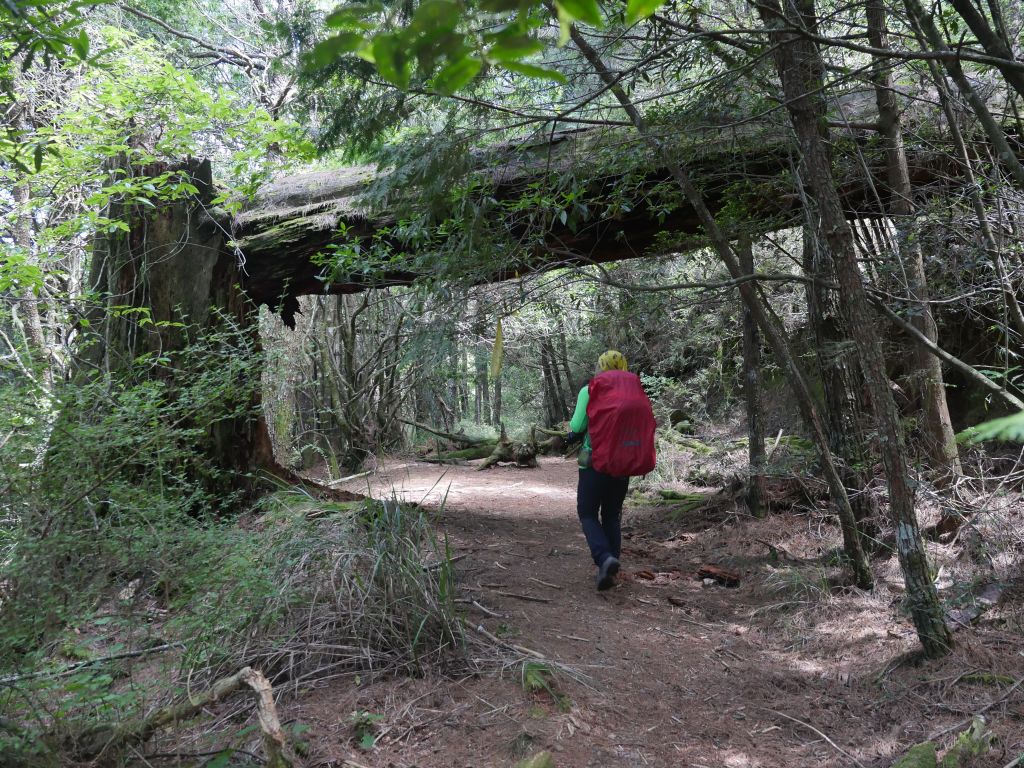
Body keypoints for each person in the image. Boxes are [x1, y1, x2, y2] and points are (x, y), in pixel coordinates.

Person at [566, 350, 633, 591]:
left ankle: (605, 559)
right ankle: (612, 566)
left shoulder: (590, 390)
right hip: (623, 463)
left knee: (587, 512)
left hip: (594, 462)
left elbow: (577, 425)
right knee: (612, 514)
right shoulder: (632, 393)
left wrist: (571, 432)